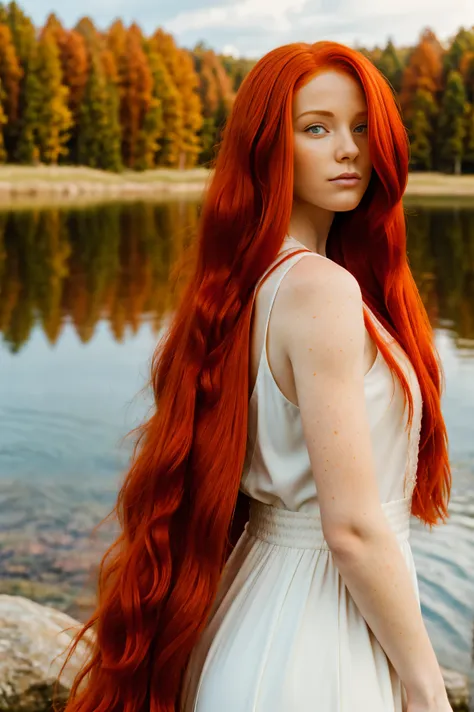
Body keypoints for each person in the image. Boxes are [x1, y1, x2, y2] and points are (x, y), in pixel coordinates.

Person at [57, 41, 453, 712]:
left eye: (361, 126)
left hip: (261, 612)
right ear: (270, 144)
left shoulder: (255, 282)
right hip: (319, 638)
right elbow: (352, 529)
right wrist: (426, 683)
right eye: (317, 127)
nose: (349, 148)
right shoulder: (320, 290)